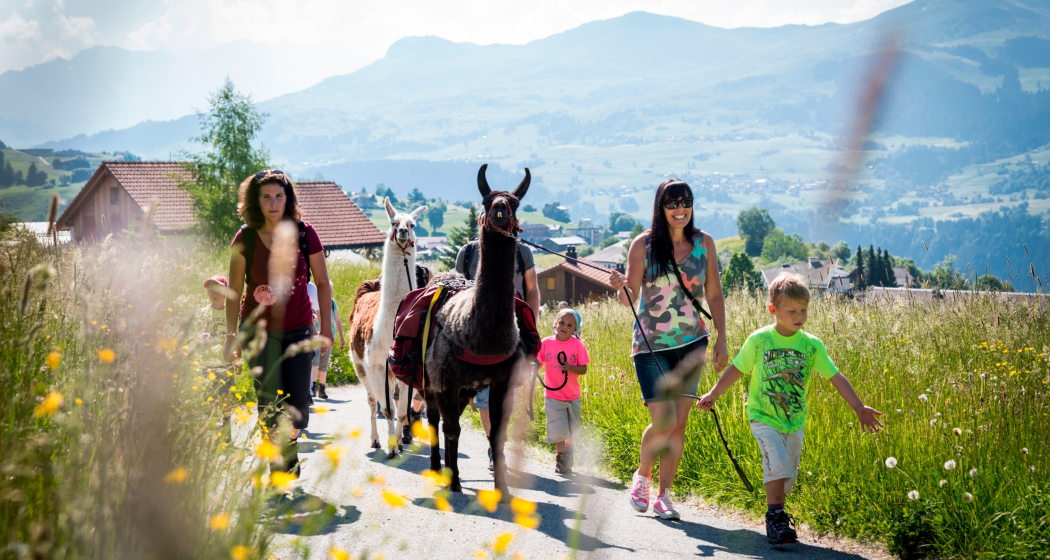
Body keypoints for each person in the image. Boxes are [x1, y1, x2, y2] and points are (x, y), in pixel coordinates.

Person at [697, 274, 883, 544]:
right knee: (777, 465)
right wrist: (714, 393)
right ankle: (776, 519)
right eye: (792, 311)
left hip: (794, 420)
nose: (800, 316)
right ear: (773, 310)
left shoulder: (811, 345)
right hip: (763, 417)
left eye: (804, 310)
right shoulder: (760, 340)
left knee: (788, 475)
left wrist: (858, 406)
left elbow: (835, 376)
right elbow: (737, 369)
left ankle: (778, 510)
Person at [609, 178, 728, 521]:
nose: (680, 209)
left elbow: (715, 294)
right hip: (650, 346)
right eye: (672, 203)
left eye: (686, 202)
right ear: (661, 208)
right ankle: (642, 477)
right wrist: (620, 287)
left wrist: (720, 337)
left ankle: (664, 496)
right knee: (665, 420)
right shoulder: (643, 245)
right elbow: (629, 297)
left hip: (693, 343)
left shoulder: (704, 243)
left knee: (679, 426)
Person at [223, 170, 333, 475]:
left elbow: (323, 282)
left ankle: (289, 447)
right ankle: (278, 467)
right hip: (257, 333)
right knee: (271, 403)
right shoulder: (244, 237)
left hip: (299, 330)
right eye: (266, 197)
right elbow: (233, 292)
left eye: (279, 196)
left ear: (288, 199)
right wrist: (231, 335)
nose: (273, 203)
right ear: (255, 201)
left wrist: (325, 329)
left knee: (297, 411)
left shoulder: (304, 233)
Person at [455, 227, 540, 470]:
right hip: (477, 335)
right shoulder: (468, 252)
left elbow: (532, 290)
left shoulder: (522, 252)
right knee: (484, 396)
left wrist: (531, 326)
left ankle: (497, 442)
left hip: (513, 332)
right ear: (483, 222)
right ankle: (495, 447)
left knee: (507, 393)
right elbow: (456, 290)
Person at [535, 309, 589, 475]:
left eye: (570, 325)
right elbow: (539, 361)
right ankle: (561, 458)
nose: (564, 327)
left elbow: (584, 369)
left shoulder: (577, 345)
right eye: (562, 323)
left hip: (572, 395)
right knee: (558, 429)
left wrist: (571, 368)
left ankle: (569, 448)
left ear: (575, 329)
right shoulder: (546, 343)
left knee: (573, 430)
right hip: (553, 396)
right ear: (555, 324)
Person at [198, 274, 237, 433]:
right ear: (207, 293)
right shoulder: (203, 312)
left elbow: (235, 338)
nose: (215, 294)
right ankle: (212, 431)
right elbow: (198, 333)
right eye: (211, 290)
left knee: (226, 398)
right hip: (208, 363)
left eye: (219, 291)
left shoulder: (230, 314)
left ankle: (226, 431)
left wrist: (237, 360)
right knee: (211, 399)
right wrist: (202, 335)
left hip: (226, 363)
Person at [308, 280, 345, 400]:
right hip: (316, 337)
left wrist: (341, 335)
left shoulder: (333, 303)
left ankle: (322, 387)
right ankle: (312, 386)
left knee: (324, 364)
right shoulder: (315, 302)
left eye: (330, 290)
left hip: (329, 337)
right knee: (315, 361)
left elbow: (337, 320)